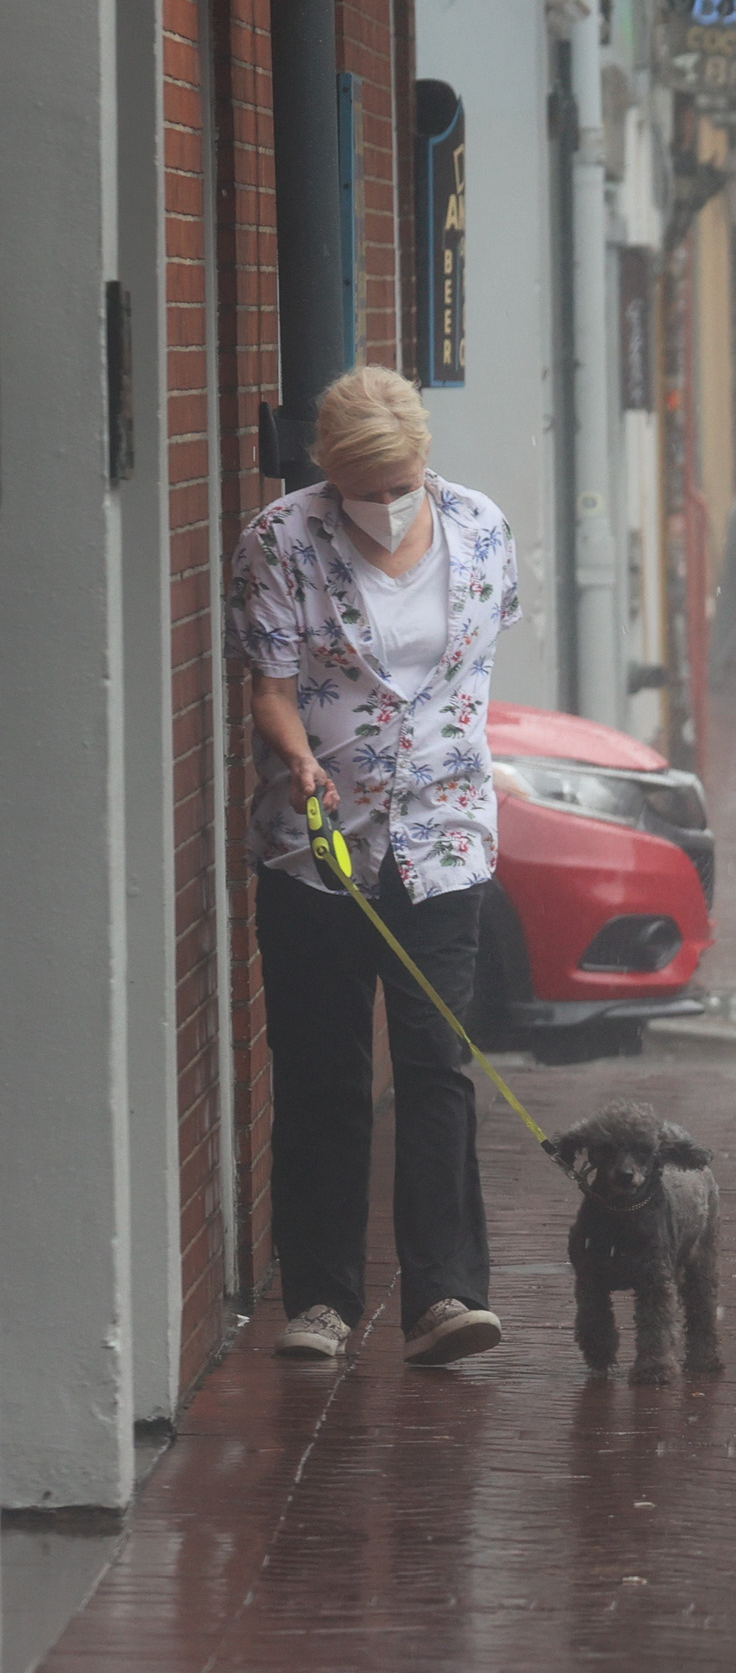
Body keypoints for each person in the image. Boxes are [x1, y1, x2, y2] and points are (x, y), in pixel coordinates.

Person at [227, 365, 522, 1367]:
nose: (387, 500)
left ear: (424, 460)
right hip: (317, 843)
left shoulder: (480, 527)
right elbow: (268, 684)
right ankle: (320, 1300)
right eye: (366, 483)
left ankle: (446, 1293)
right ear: (331, 469)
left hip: (442, 834)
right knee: (323, 1072)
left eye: (400, 477)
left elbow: (474, 671)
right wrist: (298, 753)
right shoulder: (279, 539)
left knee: (437, 1060)